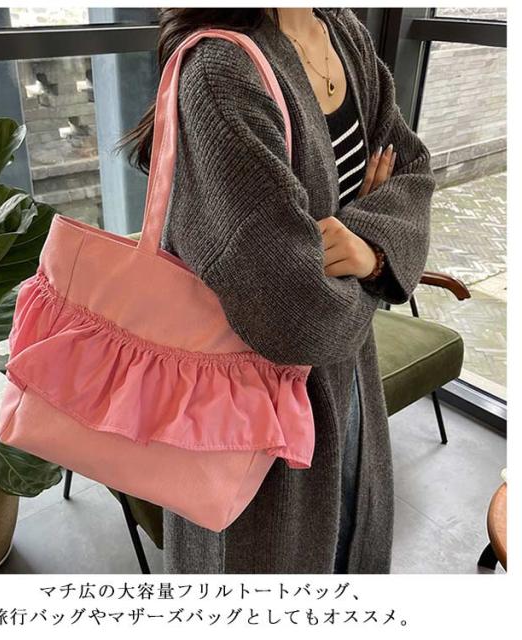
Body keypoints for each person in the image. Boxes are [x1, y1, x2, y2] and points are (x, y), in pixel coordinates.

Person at [116, 7, 435, 573]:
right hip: (249, 402)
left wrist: (369, 250)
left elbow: (412, 169)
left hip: (349, 377)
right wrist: (371, 267)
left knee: (349, 544)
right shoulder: (220, 72)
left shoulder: (344, 34)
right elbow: (292, 310)